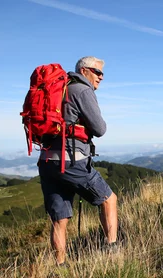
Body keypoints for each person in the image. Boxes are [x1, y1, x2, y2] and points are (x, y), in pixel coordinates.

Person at [37, 56, 117, 265]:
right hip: (71, 160)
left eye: (102, 73)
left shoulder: (60, 89)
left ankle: (60, 265)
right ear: (84, 71)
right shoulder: (82, 90)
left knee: (59, 219)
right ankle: (112, 250)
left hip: (47, 160)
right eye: (97, 72)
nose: (101, 77)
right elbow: (100, 129)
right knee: (109, 199)